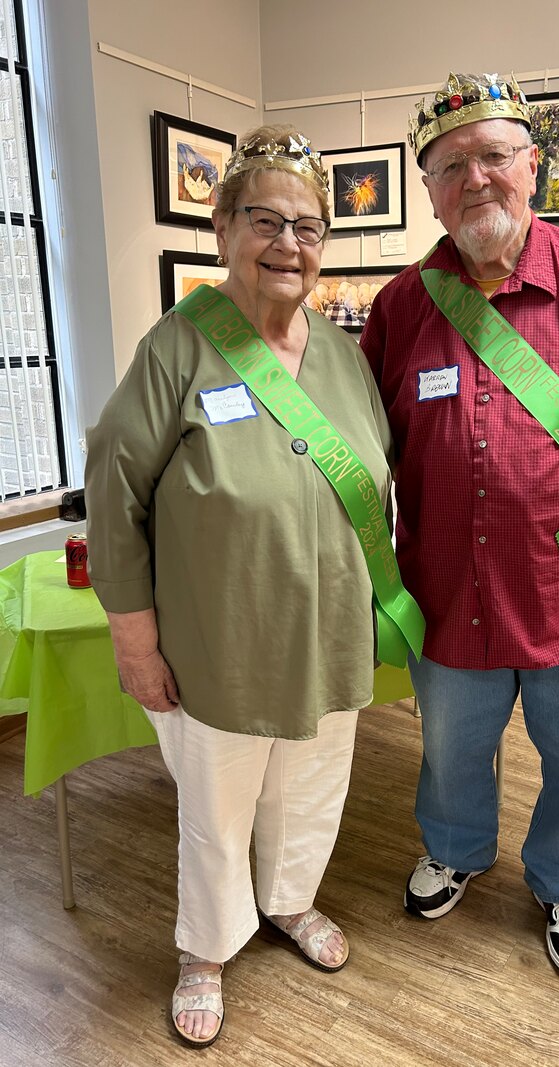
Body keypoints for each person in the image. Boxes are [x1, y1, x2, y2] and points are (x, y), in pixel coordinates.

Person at [85, 125, 395, 1048]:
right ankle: (208, 946)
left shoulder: (343, 355)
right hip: (220, 638)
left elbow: (377, 475)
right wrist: (133, 637)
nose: (288, 245)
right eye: (265, 220)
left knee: (312, 786)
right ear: (222, 227)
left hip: (330, 630)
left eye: (307, 227)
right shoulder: (176, 349)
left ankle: (291, 900)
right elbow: (113, 490)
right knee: (216, 805)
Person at [360, 72, 559, 982]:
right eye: (450, 164)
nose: (475, 179)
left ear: (534, 165)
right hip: (451, 589)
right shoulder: (401, 306)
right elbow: (372, 439)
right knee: (452, 748)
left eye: (494, 155)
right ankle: (456, 848)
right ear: (428, 188)